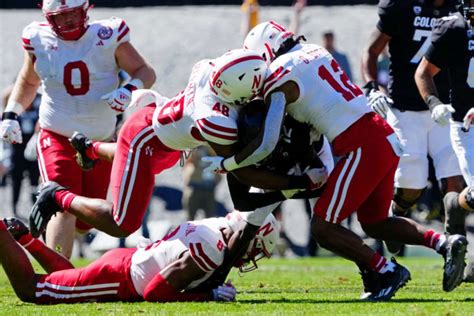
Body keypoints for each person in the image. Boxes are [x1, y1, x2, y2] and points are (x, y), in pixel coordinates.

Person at [207, 21, 468, 301]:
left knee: (323, 227)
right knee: (375, 222)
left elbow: (267, 142)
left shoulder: (280, 76)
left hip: (362, 145)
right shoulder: (316, 51)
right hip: (385, 138)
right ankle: (444, 242)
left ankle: (384, 271)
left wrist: (230, 163)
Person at [29, 49, 323, 240]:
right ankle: (58, 197)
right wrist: (295, 182)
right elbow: (241, 174)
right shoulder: (216, 121)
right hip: (144, 140)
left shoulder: (209, 69)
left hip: (168, 140)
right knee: (123, 223)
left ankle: (90, 148)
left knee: (150, 160)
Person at [0, 0, 156, 258]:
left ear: (85, 10)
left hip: (100, 141)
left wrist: (128, 90)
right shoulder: (37, 38)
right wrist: (10, 115)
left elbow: (144, 70)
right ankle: (58, 275)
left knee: (85, 221)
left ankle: (65, 251)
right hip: (56, 134)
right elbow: (28, 81)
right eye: (60, 16)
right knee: (61, 201)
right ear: (48, 18)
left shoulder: (107, 35)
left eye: (72, 13)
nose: (68, 21)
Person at [361, 0, 465, 245]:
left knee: (454, 180)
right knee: (411, 186)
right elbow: (372, 50)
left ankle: (455, 245)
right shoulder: (402, 6)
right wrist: (372, 87)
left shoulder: (458, 10)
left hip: (443, 109)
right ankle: (396, 218)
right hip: (405, 109)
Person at [0, 211, 277, 304]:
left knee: (66, 280)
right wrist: (209, 297)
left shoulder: (217, 226)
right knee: (32, 290)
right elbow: (155, 293)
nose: (250, 257)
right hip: (120, 277)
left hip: (125, 262)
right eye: (255, 249)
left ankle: (26, 239)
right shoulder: (213, 248)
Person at [414, 0, 474, 280]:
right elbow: (423, 72)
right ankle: (454, 203)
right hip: (466, 125)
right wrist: (434, 103)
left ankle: (456, 204)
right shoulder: (454, 28)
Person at [2, 85, 40, 218]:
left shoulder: (38, 105)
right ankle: (14, 210)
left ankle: (36, 211)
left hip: (33, 151)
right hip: (17, 151)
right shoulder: (12, 112)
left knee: (35, 182)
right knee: (16, 182)